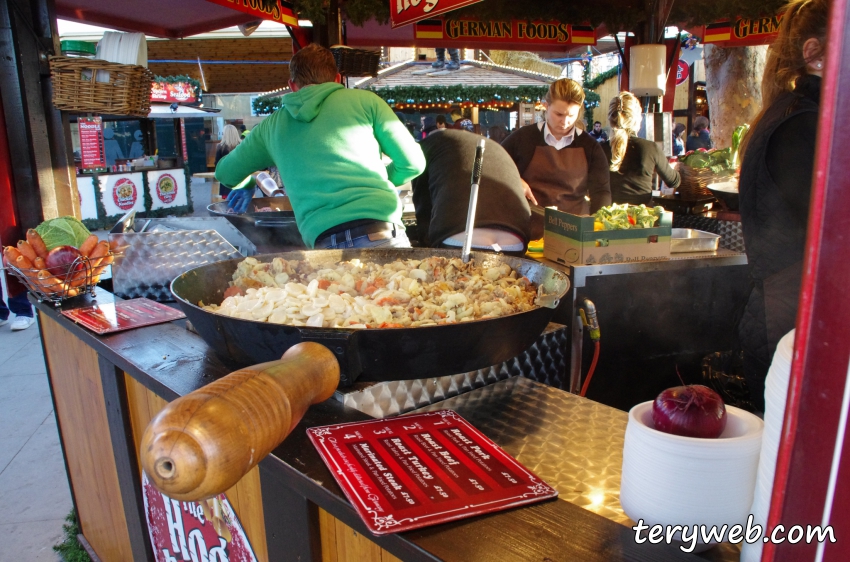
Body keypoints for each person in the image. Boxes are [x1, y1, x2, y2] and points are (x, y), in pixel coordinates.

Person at [216, 44, 425, 249]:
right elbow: (412, 164)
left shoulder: (271, 126)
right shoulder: (366, 101)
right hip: (383, 233)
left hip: (325, 244)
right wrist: (371, 183)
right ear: (337, 79)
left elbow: (225, 173)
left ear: (292, 85)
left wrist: (247, 182)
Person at [737, 0, 828, 411]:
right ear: (814, 54)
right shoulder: (803, 124)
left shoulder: (792, 115)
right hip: (791, 323)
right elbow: (828, 234)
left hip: (783, 317)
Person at [501, 78, 611, 238]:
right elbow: (493, 163)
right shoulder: (523, 138)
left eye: (571, 115)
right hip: (528, 232)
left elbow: (601, 193)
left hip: (574, 233)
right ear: (546, 106)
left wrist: (597, 229)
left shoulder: (591, 147)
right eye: (559, 114)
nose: (564, 121)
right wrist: (514, 178)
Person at [411, 129, 531, 253]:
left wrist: (424, 246)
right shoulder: (491, 145)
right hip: (516, 240)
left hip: (462, 240)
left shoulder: (425, 148)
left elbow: (423, 206)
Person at [602, 92, 681, 205]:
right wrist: (673, 167)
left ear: (610, 119)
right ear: (638, 119)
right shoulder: (650, 148)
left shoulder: (599, 150)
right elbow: (674, 182)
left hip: (607, 216)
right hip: (641, 217)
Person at [215, 125, 250, 199]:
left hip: (226, 180)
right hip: (241, 178)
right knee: (242, 201)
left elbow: (217, 164)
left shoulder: (220, 147)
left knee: (229, 203)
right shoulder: (242, 145)